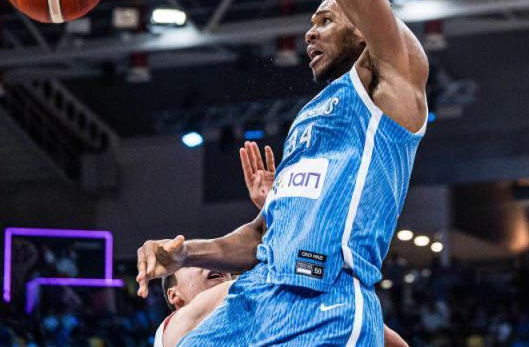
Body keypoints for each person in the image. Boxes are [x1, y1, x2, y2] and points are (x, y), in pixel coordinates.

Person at [137, 0, 429, 343]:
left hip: (325, 304)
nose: (309, 34)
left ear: (363, 24)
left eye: (324, 19)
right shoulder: (310, 120)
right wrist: (184, 254)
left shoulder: (393, 76)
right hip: (256, 297)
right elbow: (259, 239)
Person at [155, 142, 409, 347]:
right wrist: (278, 216)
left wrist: (275, 215)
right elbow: (287, 272)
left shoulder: (260, 311)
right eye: (194, 262)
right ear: (174, 295)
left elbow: (380, 332)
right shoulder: (173, 330)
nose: (212, 264)